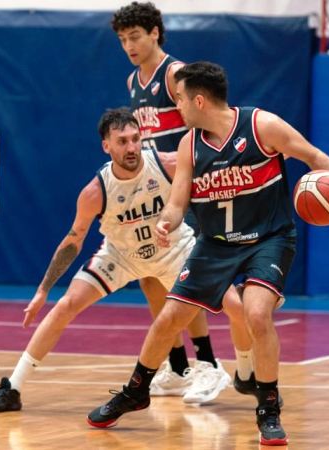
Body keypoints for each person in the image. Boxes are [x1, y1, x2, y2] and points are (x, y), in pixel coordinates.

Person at [87, 62, 329, 446]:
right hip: (215, 243)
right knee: (168, 318)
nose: (177, 107)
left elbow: (314, 157)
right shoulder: (189, 144)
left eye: (181, 100)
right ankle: (135, 391)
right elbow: (178, 200)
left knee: (256, 313)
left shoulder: (262, 126)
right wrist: (167, 222)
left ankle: (268, 409)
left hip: (267, 239)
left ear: (199, 100)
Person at [0, 108, 238, 412]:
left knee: (237, 305)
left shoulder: (165, 164)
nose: (131, 147)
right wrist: (43, 290)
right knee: (66, 305)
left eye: (135, 139)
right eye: (122, 141)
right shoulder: (95, 192)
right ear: (107, 146)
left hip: (173, 251)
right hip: (121, 255)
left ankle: (249, 376)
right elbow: (72, 241)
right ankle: (13, 387)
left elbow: (214, 169)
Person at [111, 1, 229, 401]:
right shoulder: (133, 81)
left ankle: (208, 364)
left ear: (155, 33)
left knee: (184, 277)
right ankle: (178, 367)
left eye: (135, 36)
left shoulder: (174, 73)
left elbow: (206, 123)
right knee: (149, 275)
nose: (129, 45)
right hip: (153, 189)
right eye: (123, 39)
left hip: (184, 187)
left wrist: (195, 168)